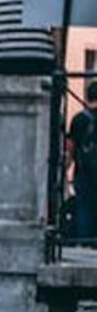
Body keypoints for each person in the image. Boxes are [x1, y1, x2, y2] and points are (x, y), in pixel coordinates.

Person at [66, 80, 97, 245]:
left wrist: (65, 167)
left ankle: (84, 243)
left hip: (83, 172)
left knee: (83, 207)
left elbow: (70, 149)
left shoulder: (78, 119)